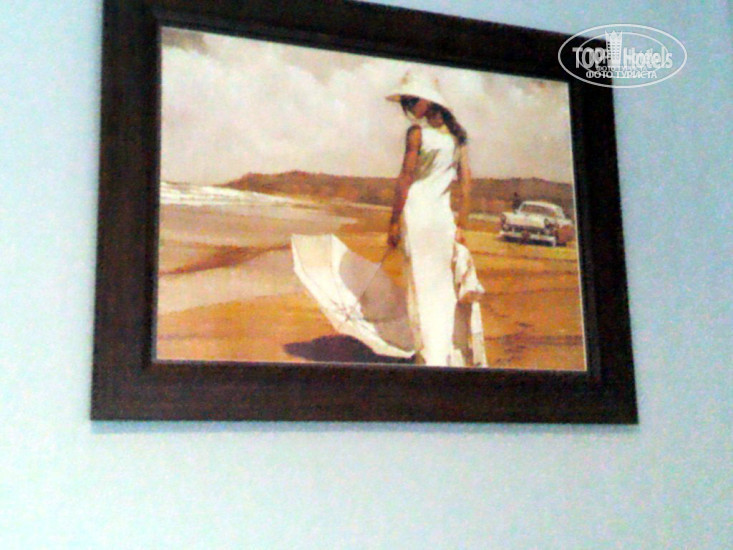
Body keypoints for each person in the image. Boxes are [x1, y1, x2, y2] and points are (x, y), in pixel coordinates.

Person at [386, 72, 486, 367]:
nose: (407, 106)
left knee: (420, 286)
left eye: (411, 100)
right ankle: (445, 354)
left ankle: (430, 356)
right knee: (442, 288)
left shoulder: (417, 133)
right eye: (406, 102)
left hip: (417, 217)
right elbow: (466, 183)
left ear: (428, 100)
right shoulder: (457, 137)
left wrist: (393, 222)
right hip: (442, 220)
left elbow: (405, 178)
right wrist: (461, 225)